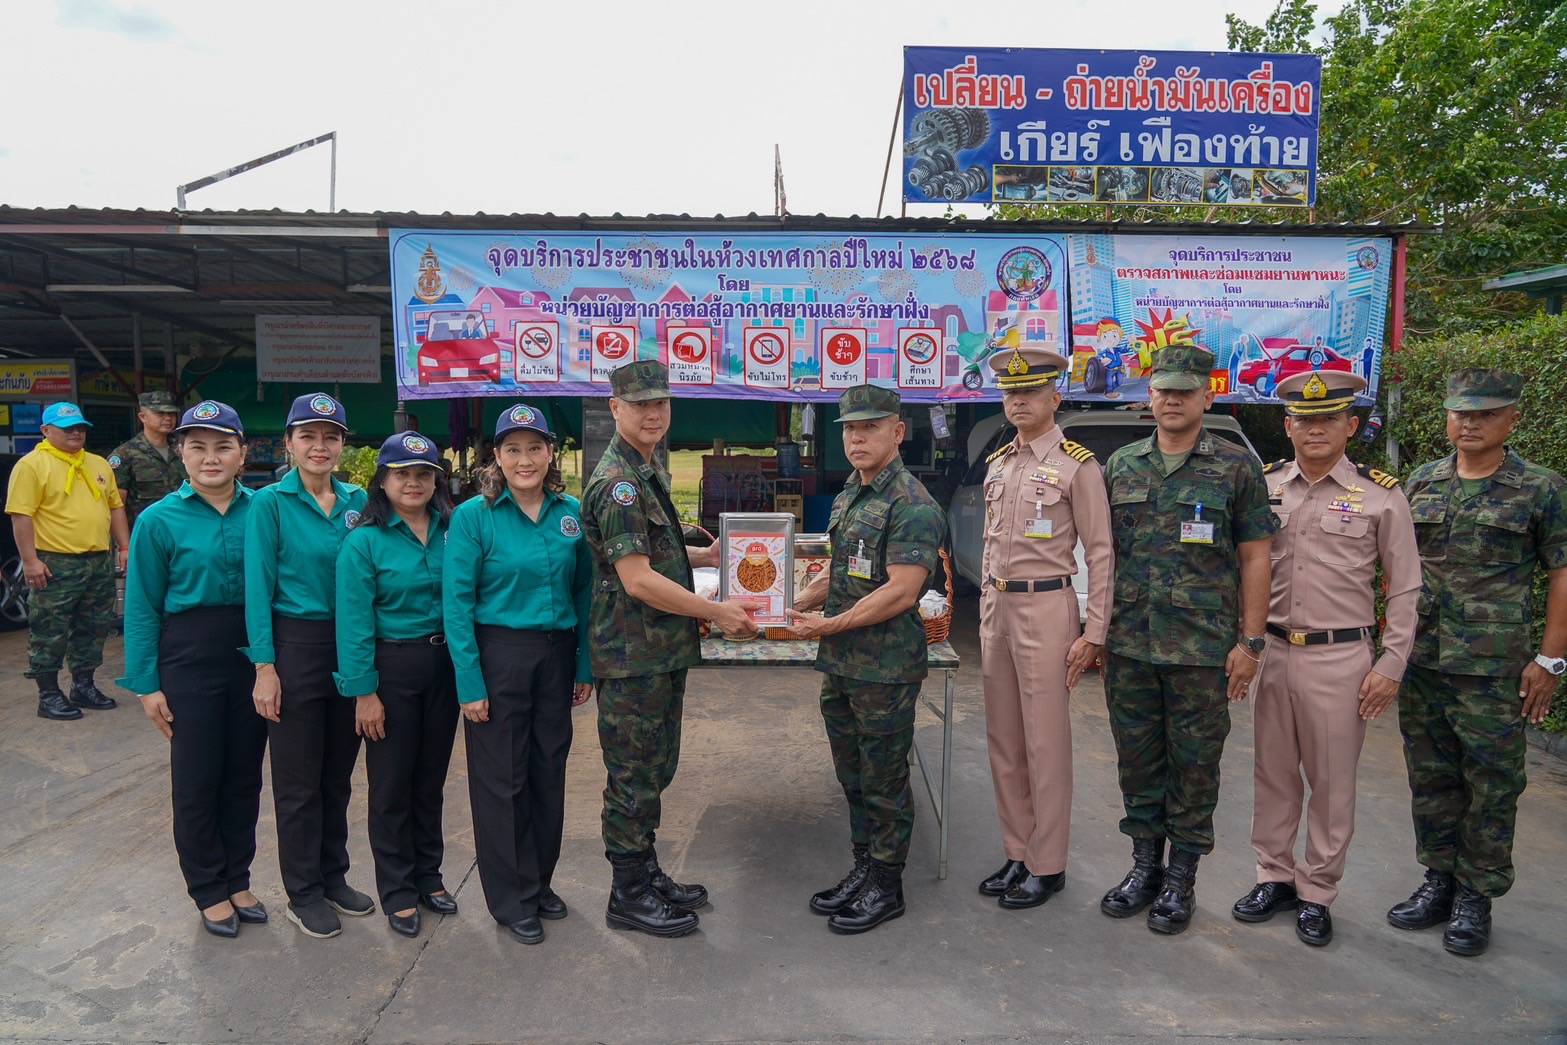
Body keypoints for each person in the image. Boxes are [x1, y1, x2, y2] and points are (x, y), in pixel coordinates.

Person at [1231, 370, 1420, 947]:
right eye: (1304, 420)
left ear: (1351, 426)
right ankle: (1274, 876)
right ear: (1287, 426)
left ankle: (1317, 891)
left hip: (1342, 657)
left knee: (1332, 783)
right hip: (1276, 651)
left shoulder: (1381, 496)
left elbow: (1407, 586)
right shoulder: (1265, 488)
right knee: (1273, 775)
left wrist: (1390, 664)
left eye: (1328, 419)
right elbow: (1242, 571)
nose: (1315, 429)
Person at [1388, 369, 1566, 957]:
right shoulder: (1421, 482)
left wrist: (1551, 659)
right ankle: (1438, 881)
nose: (1470, 422)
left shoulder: (1540, 488)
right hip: (1424, 661)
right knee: (1431, 777)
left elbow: (1561, 573)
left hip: (1493, 668)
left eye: (1485, 413)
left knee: (1491, 784)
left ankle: (1475, 897)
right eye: (1461, 412)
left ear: (1512, 418)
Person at [1098, 347, 1275, 935]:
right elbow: (1102, 557)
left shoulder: (1234, 467)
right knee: (1137, 760)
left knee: (1195, 765)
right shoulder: (1121, 464)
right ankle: (1144, 867)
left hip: (1202, 649)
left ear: (1207, 396)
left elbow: (1255, 557)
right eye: (1162, 390)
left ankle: (1181, 879)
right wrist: (1094, 629)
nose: (1172, 400)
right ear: (1148, 396)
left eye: (1184, 390)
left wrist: (1251, 642)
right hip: (1130, 644)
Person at [581, 360, 757, 939]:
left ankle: (645, 870)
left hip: (656, 650)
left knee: (654, 768)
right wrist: (717, 611)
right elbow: (636, 580)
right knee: (633, 774)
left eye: (661, 404)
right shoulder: (620, 482)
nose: (653, 414)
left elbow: (653, 555)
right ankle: (626, 892)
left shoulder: (646, 469)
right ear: (615, 409)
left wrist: (702, 559)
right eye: (639, 406)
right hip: (633, 655)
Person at [786, 384, 945, 935]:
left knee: (883, 779)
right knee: (851, 774)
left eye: (870, 427)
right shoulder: (852, 491)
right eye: (850, 429)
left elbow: (902, 591)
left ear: (897, 433)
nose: (857, 438)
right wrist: (792, 602)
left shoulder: (913, 505)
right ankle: (864, 868)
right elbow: (842, 570)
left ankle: (888, 884)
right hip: (843, 665)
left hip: (885, 668)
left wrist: (831, 624)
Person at [443, 405, 593, 946]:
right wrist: (469, 683)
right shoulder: (474, 517)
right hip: (499, 654)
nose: (524, 459)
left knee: (547, 773)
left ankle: (539, 881)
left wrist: (582, 664)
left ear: (551, 453)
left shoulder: (569, 512)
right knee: (501, 781)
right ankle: (510, 899)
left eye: (534, 448)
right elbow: (456, 604)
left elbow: (584, 592)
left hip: (555, 656)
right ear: (497, 457)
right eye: (513, 449)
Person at [117, 400, 267, 938]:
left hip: (253, 654)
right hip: (188, 655)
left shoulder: (264, 510)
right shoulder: (158, 520)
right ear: (180, 451)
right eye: (197, 446)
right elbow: (141, 607)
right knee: (198, 776)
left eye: (223, 446)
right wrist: (147, 684)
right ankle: (208, 888)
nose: (211, 457)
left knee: (244, 774)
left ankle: (238, 876)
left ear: (242, 453)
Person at [973, 347, 1113, 910]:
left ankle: (1047, 862)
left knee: (1045, 742)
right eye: (1010, 392)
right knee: (1005, 738)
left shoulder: (1078, 466)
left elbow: (1100, 552)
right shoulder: (999, 464)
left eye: (1029, 392)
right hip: (997, 609)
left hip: (1047, 607)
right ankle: (1017, 849)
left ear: (1055, 397)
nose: (1018, 401)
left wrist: (1093, 629)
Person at [245, 392, 372, 940]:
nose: (319, 447)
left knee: (337, 776)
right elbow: (257, 590)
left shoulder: (359, 499)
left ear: (343, 445)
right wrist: (264, 667)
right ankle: (303, 891)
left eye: (331, 436)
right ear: (290, 443)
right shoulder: (269, 504)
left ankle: (332, 875)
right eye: (308, 436)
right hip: (295, 645)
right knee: (298, 781)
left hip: (351, 645)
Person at [334, 431, 459, 940]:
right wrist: (365, 692)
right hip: (392, 668)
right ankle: (398, 890)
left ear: (436, 481)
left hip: (445, 667)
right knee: (391, 786)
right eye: (402, 474)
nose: (413, 482)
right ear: (382, 482)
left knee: (429, 782)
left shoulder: (454, 531)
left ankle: (429, 875)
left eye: (424, 474)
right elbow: (353, 621)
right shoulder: (364, 541)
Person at [5, 401, 128, 720]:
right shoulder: (32, 465)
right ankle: (48, 694)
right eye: (67, 428)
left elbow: (115, 507)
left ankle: (83, 686)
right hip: (54, 562)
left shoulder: (99, 463)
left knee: (94, 626)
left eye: (80, 427)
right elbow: (21, 515)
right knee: (50, 629)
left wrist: (124, 547)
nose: (76, 432)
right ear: (45, 431)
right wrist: (30, 561)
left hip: (98, 560)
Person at [109, 391, 186, 529]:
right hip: (146, 534)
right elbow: (116, 506)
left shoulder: (183, 451)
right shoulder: (125, 454)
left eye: (171, 414)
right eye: (160, 414)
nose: (168, 418)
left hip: (182, 531)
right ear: (143, 417)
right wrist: (125, 546)